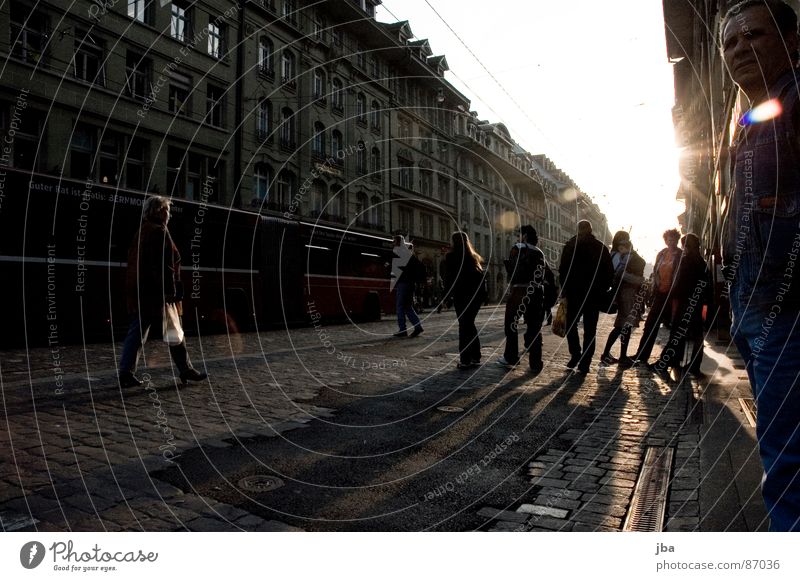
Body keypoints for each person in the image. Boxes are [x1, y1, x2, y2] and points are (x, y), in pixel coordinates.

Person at [720, 0, 800, 531]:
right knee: (781, 446)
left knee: (788, 461)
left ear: (792, 41)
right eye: (729, 43)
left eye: (753, 36)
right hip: (755, 306)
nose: (738, 50)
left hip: (788, 312)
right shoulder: (752, 118)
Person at [118, 196, 207, 388]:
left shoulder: (142, 231)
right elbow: (165, 265)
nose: (169, 214)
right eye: (166, 210)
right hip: (156, 293)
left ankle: (127, 372)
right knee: (173, 329)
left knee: (139, 331)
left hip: (141, 290)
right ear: (158, 211)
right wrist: (171, 291)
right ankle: (185, 369)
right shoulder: (159, 231)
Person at [558, 220, 614, 374]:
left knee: (571, 325)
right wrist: (603, 288)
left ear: (578, 229)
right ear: (591, 230)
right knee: (590, 330)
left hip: (575, 293)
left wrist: (564, 289)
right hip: (593, 295)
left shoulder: (571, 245)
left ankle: (575, 354)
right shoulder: (601, 247)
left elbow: (563, 270)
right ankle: (585, 362)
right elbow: (610, 273)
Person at [498, 225, 556, 373]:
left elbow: (514, 269)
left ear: (524, 236)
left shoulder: (518, 247)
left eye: (520, 234)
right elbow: (549, 275)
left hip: (520, 290)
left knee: (511, 324)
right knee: (534, 328)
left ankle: (511, 357)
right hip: (536, 292)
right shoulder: (540, 253)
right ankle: (536, 364)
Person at [652, 234, 710, 378]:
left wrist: (672, 296)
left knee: (677, 334)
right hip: (696, 304)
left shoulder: (685, 261)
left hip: (684, 303)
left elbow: (680, 284)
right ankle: (694, 366)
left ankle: (665, 363)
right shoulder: (701, 262)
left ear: (686, 246)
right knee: (697, 337)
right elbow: (706, 285)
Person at [634, 229, 683, 365]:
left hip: (673, 295)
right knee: (650, 324)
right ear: (665, 240)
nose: (670, 241)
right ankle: (642, 355)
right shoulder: (661, 254)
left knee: (673, 326)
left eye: (673, 238)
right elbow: (656, 271)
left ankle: (671, 360)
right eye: (668, 239)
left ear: (677, 240)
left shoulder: (680, 255)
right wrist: (654, 288)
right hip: (660, 294)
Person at [600, 234, 646, 367]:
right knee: (624, 326)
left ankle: (611, 354)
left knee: (622, 326)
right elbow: (634, 277)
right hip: (628, 294)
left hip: (623, 294)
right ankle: (620, 356)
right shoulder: (628, 258)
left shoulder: (615, 255)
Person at [443, 232, 487, 369]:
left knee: (464, 326)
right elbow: (481, 279)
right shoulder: (474, 257)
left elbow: (449, 280)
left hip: (461, 295)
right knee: (469, 325)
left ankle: (465, 359)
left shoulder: (451, 257)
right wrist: (484, 296)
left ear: (454, 242)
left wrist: (446, 297)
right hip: (475, 297)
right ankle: (475, 356)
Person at [390, 235, 423, 337]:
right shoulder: (409, 253)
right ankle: (418, 327)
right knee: (408, 306)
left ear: (398, 242)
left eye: (394, 241)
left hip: (403, 282)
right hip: (411, 283)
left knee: (400, 306)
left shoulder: (398, 253)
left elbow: (396, 270)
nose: (393, 243)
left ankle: (402, 329)